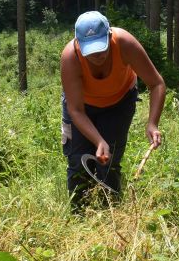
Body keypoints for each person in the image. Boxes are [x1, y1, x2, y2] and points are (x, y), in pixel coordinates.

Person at [60, 11, 166, 208]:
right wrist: (99, 140)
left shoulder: (125, 44)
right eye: (90, 51)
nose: (97, 56)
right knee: (78, 162)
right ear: (78, 44)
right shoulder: (70, 57)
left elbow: (157, 84)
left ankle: (111, 212)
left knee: (108, 162)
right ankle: (79, 216)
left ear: (109, 36)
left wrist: (152, 123)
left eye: (101, 48)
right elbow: (76, 110)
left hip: (119, 103)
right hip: (82, 107)